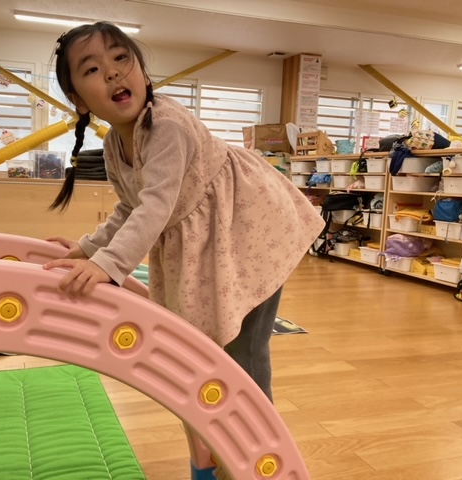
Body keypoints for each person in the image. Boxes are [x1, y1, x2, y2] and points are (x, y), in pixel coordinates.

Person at [43, 21, 325, 404]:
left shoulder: (165, 126)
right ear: (78, 100)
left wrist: (108, 265)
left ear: (142, 71)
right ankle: (223, 425)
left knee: (244, 348)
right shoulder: (113, 147)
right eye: (92, 69)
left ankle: (257, 435)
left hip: (250, 229)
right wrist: (88, 249)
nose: (112, 72)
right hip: (210, 239)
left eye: (121, 58)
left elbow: (154, 206)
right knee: (204, 348)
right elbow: (130, 207)